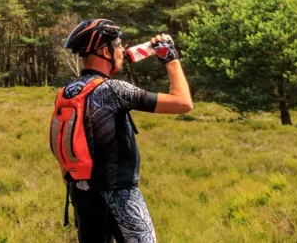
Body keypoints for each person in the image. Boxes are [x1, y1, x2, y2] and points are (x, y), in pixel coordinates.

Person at [51, 18, 193, 243]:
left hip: (81, 194)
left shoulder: (67, 92)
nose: (122, 50)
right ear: (105, 52)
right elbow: (183, 103)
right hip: (120, 197)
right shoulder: (114, 90)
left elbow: (62, 147)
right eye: (117, 45)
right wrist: (170, 58)